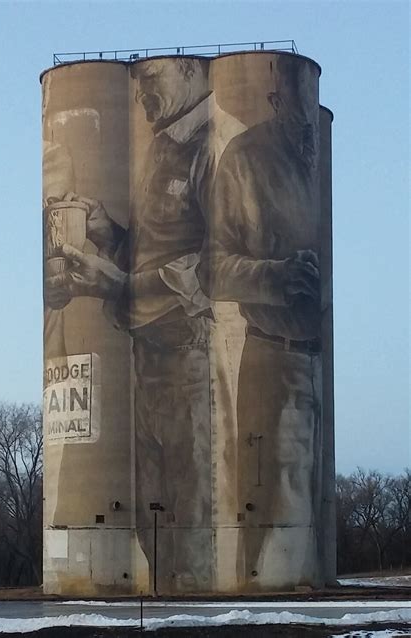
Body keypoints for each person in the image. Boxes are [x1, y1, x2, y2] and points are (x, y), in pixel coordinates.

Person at [45, 57, 246, 592]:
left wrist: (117, 281)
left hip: (188, 359)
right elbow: (160, 251)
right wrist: (111, 235)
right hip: (147, 356)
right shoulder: (163, 143)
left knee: (188, 510)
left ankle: (196, 611)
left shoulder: (216, 146)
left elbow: (217, 267)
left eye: (150, 81)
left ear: (187, 73)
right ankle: (161, 609)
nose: (139, 98)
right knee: (150, 514)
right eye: (134, 88)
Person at [198, 55, 323, 589]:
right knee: (265, 493)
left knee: (309, 498)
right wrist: (276, 276)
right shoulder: (246, 157)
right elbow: (213, 269)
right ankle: (250, 595)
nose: (304, 116)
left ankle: (298, 584)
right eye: (296, 102)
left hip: (317, 359)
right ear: (277, 100)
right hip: (270, 355)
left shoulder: (316, 156)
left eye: (310, 105)